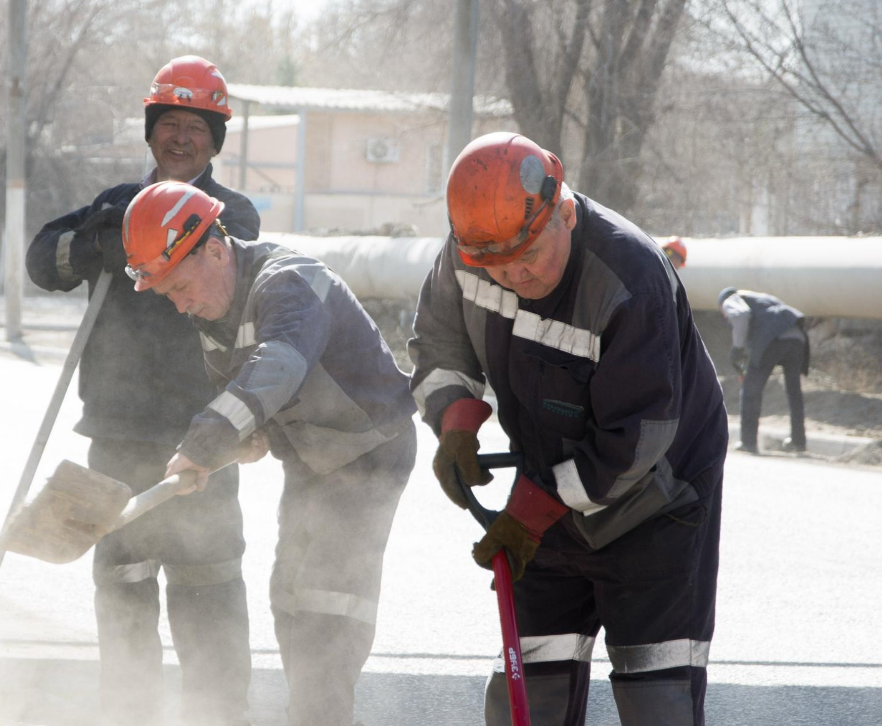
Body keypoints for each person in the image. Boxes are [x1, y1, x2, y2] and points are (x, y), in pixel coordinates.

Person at [408, 132, 728, 725]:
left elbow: (636, 440)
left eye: (528, 257)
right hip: (547, 483)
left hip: (659, 500)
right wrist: (455, 423)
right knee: (531, 684)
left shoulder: (629, 280)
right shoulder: (471, 249)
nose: (514, 276)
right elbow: (438, 344)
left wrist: (530, 513)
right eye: (496, 265)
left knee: (655, 693)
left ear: (565, 214)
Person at [121, 180, 418, 726]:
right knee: (291, 596)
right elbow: (246, 412)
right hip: (309, 456)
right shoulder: (212, 315)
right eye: (169, 295)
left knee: (328, 605)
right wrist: (226, 449)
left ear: (215, 250)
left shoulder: (289, 283)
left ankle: (321, 717)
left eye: (180, 286)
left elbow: (277, 366)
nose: (181, 304)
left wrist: (202, 443)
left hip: (368, 452)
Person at [25, 56, 258, 726]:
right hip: (117, 434)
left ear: (215, 141)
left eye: (197, 127)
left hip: (203, 437)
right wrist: (95, 240)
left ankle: (219, 719)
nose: (180, 138)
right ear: (151, 132)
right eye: (169, 124)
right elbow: (43, 261)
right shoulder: (115, 206)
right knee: (122, 589)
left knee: (208, 590)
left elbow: (229, 269)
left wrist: (139, 234)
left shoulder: (232, 215)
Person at [718, 287, 809, 454]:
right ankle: (798, 442)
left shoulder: (731, 299)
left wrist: (737, 348)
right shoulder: (763, 298)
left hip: (773, 340)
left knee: (751, 390)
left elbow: (740, 316)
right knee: (794, 391)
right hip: (797, 338)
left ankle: (748, 443)